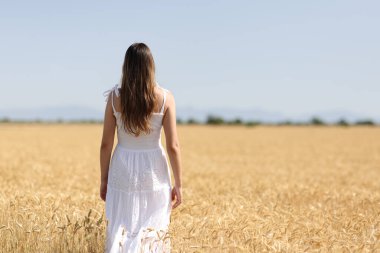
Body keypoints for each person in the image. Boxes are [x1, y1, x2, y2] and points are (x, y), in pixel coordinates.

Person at [99, 42, 183, 252]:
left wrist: (104, 178)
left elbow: (106, 144)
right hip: (153, 166)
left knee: (122, 225)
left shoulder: (114, 98)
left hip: (122, 166)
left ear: (126, 66)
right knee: (153, 228)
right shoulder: (166, 98)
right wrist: (179, 184)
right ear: (150, 66)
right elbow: (173, 145)